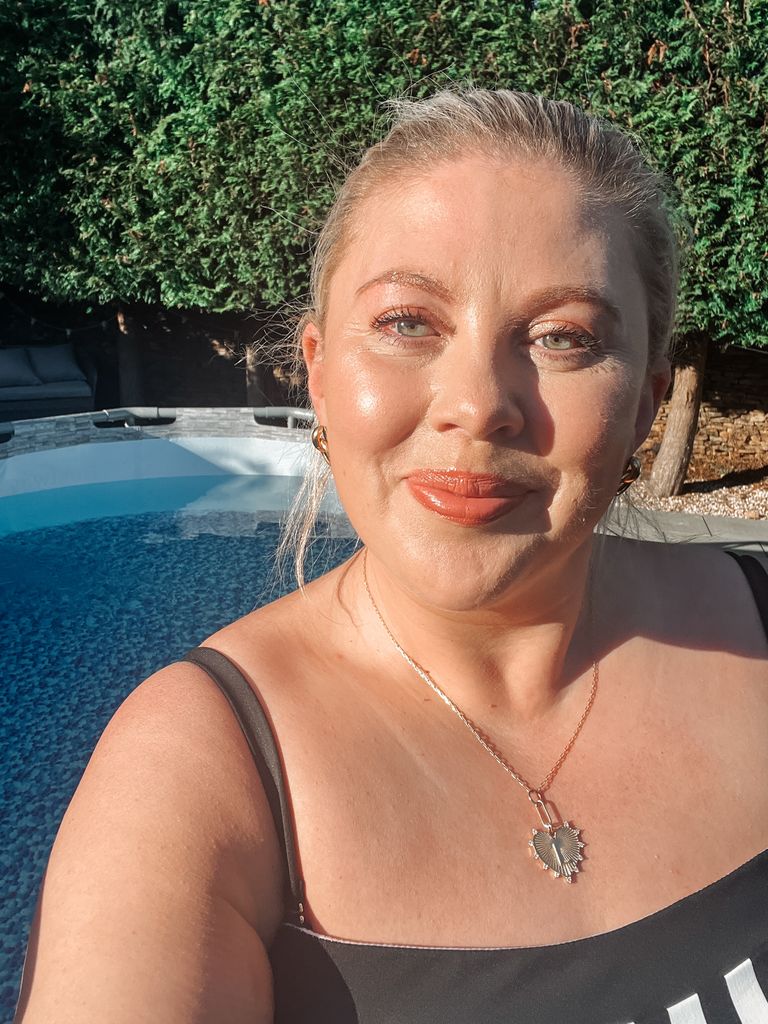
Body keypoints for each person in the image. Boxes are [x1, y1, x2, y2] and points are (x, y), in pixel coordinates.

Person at [15, 89, 768, 1024]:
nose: (478, 402)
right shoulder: (197, 776)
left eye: (563, 336)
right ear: (321, 373)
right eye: (410, 323)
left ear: (648, 401)